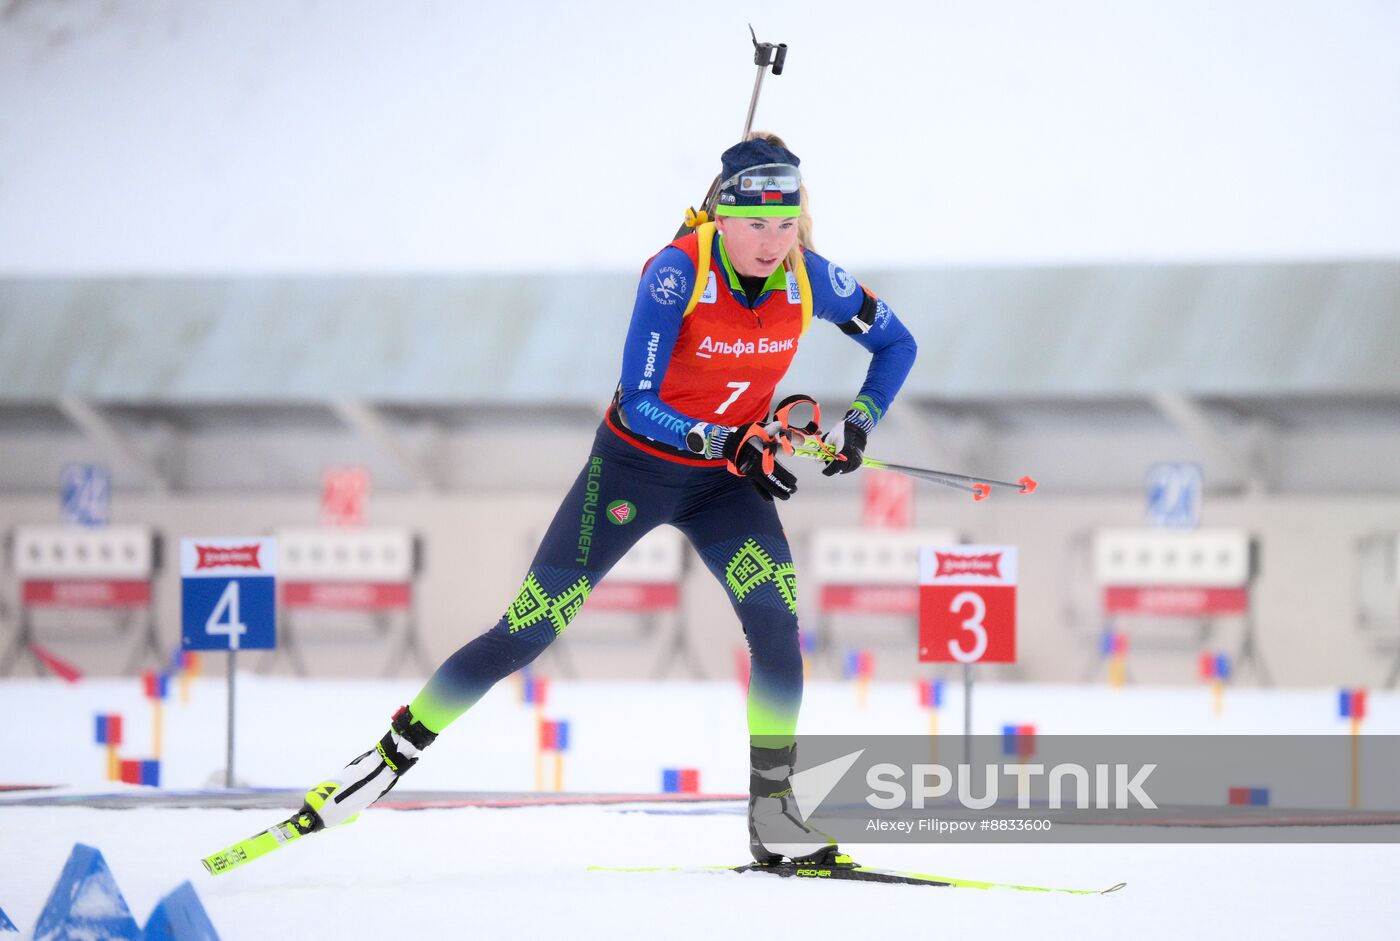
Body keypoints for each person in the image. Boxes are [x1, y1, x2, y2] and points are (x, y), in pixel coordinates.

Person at [298, 134, 918, 867]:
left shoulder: (812, 279)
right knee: (527, 630)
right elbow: (639, 401)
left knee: (778, 630)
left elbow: (897, 344)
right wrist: (723, 440)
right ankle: (385, 758)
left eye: (786, 225)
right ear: (722, 216)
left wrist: (859, 422)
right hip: (633, 471)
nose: (772, 242)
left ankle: (775, 818)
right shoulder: (675, 275)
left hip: (725, 486)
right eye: (756, 225)